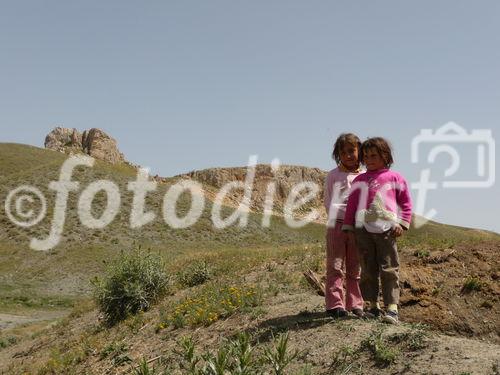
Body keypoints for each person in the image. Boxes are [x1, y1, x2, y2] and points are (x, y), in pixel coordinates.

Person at [342, 137, 412, 324]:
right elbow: (352, 205)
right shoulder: (360, 179)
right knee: (367, 267)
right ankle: (372, 306)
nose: (369, 159)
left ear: (385, 156)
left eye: (374, 155)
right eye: (366, 156)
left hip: (387, 229)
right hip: (363, 230)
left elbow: (405, 203)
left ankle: (392, 308)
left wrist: (403, 223)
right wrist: (349, 227)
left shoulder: (395, 178)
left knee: (389, 267)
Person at [323, 133, 365, 318]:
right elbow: (327, 199)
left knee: (355, 267)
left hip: (358, 226)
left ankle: (355, 304)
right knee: (335, 264)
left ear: (359, 151)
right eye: (343, 152)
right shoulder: (333, 175)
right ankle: (335, 305)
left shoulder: (365, 175)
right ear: (337, 154)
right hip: (337, 225)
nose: (348, 155)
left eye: (351, 151)